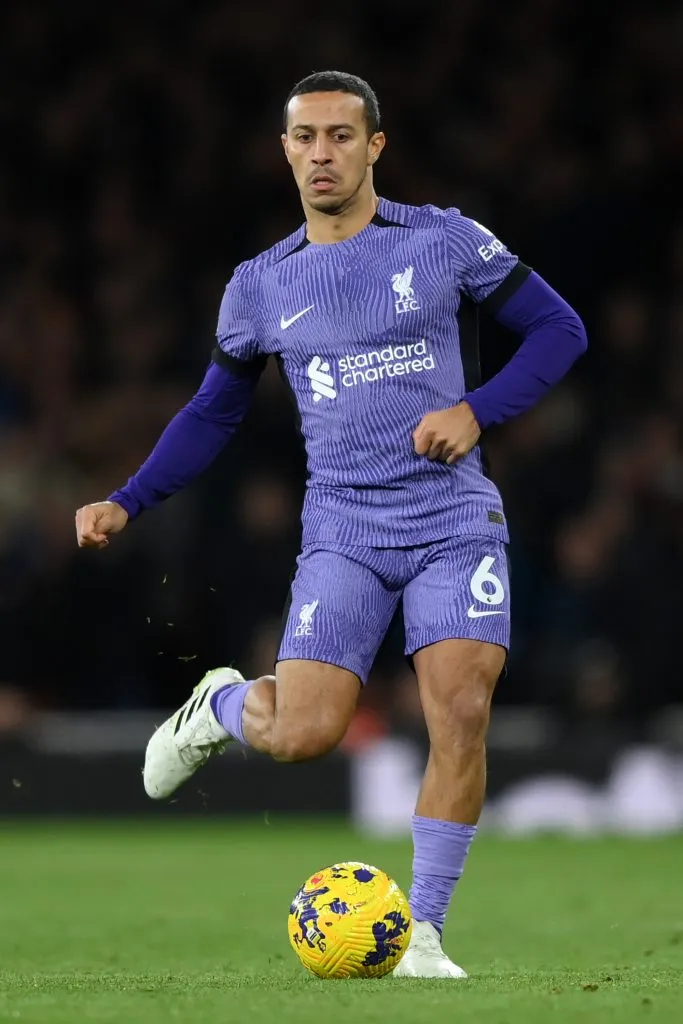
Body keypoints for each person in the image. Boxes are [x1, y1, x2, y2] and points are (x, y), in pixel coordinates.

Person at [75, 71, 587, 977]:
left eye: (340, 136)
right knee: (304, 735)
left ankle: (424, 935)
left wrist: (475, 411)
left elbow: (558, 329)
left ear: (374, 146)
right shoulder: (260, 284)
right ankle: (220, 705)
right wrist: (130, 497)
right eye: (305, 138)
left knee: (460, 709)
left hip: (452, 518)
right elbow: (212, 412)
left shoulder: (442, 240)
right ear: (284, 151)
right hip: (344, 531)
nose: (322, 153)